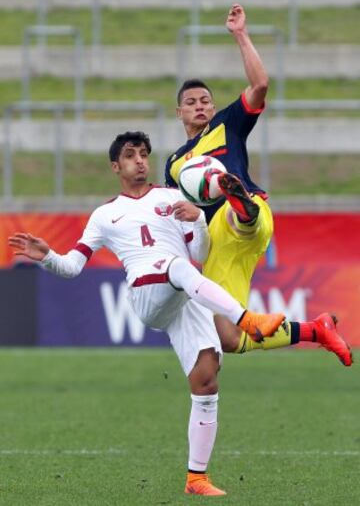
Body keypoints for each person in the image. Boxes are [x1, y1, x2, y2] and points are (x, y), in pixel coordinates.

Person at [9, 131, 285, 497]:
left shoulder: (174, 197)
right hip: (147, 292)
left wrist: (197, 219)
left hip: (182, 295)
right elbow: (73, 267)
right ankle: (248, 320)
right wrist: (47, 256)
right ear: (115, 166)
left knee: (206, 381)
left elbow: (200, 251)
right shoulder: (105, 215)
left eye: (143, 153)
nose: (139, 160)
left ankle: (196, 479)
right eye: (130, 155)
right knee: (178, 267)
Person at [165, 4, 353, 366]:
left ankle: (241, 208)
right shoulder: (174, 164)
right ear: (179, 113)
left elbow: (261, 84)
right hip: (217, 243)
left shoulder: (227, 124)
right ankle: (317, 330)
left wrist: (240, 35)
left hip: (247, 215)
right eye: (190, 102)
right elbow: (168, 211)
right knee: (230, 337)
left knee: (236, 216)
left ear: (213, 106)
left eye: (205, 100)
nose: (199, 106)